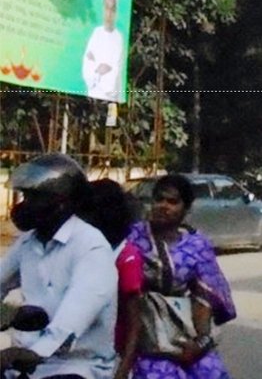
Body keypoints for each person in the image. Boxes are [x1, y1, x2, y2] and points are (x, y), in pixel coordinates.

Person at [0, 154, 118, 379]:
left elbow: (70, 323)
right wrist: (6, 314)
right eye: (25, 197)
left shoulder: (91, 247)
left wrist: (29, 353)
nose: (25, 206)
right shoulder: (29, 242)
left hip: (77, 366)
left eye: (34, 198)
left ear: (61, 202)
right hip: (25, 364)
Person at [127, 174, 236, 379]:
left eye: (172, 201)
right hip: (143, 335)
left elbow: (205, 298)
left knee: (210, 371)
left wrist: (200, 344)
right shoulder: (132, 236)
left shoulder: (196, 245)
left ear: (186, 209)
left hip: (182, 330)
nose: (163, 206)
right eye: (159, 199)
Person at [81, 179, 143, 379]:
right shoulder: (82, 250)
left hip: (109, 358)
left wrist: (123, 370)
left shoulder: (125, 257)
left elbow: (134, 323)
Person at [82, 0, 124, 101]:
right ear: (102, 8)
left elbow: (114, 72)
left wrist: (97, 67)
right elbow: (87, 66)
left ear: (116, 12)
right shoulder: (96, 33)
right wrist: (98, 70)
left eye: (113, 9)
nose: (109, 13)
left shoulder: (118, 38)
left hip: (110, 99)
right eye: (106, 7)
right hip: (92, 94)